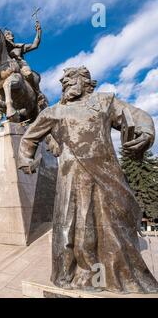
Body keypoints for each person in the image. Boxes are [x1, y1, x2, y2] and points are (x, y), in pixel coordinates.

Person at [18, 66, 158, 293]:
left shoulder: (105, 102)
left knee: (113, 229)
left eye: (71, 78)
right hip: (71, 177)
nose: (65, 81)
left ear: (86, 81)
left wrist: (146, 132)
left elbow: (138, 115)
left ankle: (115, 276)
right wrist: (25, 159)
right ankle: (78, 276)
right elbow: (29, 138)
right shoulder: (54, 112)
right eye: (63, 80)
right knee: (73, 229)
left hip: (106, 175)